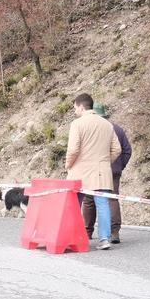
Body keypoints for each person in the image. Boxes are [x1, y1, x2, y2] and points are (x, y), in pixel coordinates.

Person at [65, 93, 121, 250]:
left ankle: (72, 237)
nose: (75, 111)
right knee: (102, 204)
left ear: (81, 107)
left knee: (74, 204)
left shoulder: (77, 124)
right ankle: (104, 239)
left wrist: (68, 164)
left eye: (75, 108)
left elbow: (73, 149)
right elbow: (117, 149)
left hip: (79, 172)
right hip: (101, 172)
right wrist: (105, 162)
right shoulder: (107, 124)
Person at [83, 104, 132, 243]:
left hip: (93, 170)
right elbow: (127, 150)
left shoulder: (91, 129)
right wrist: (119, 166)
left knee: (89, 200)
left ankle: (87, 232)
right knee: (112, 199)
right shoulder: (117, 129)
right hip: (113, 171)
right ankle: (114, 232)